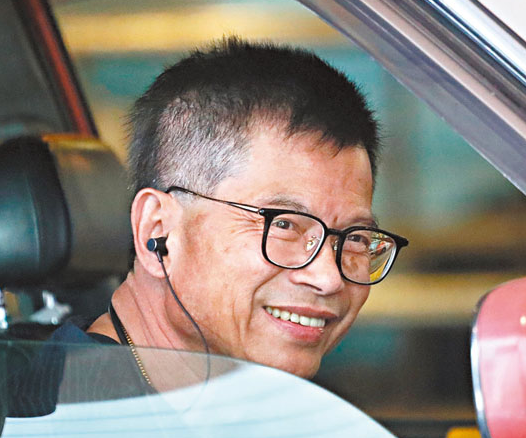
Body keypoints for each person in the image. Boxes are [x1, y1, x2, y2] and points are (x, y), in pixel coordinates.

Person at [59, 38, 408, 381]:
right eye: (284, 224)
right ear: (157, 230)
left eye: (355, 238)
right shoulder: (68, 409)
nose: (329, 279)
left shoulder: (262, 406)